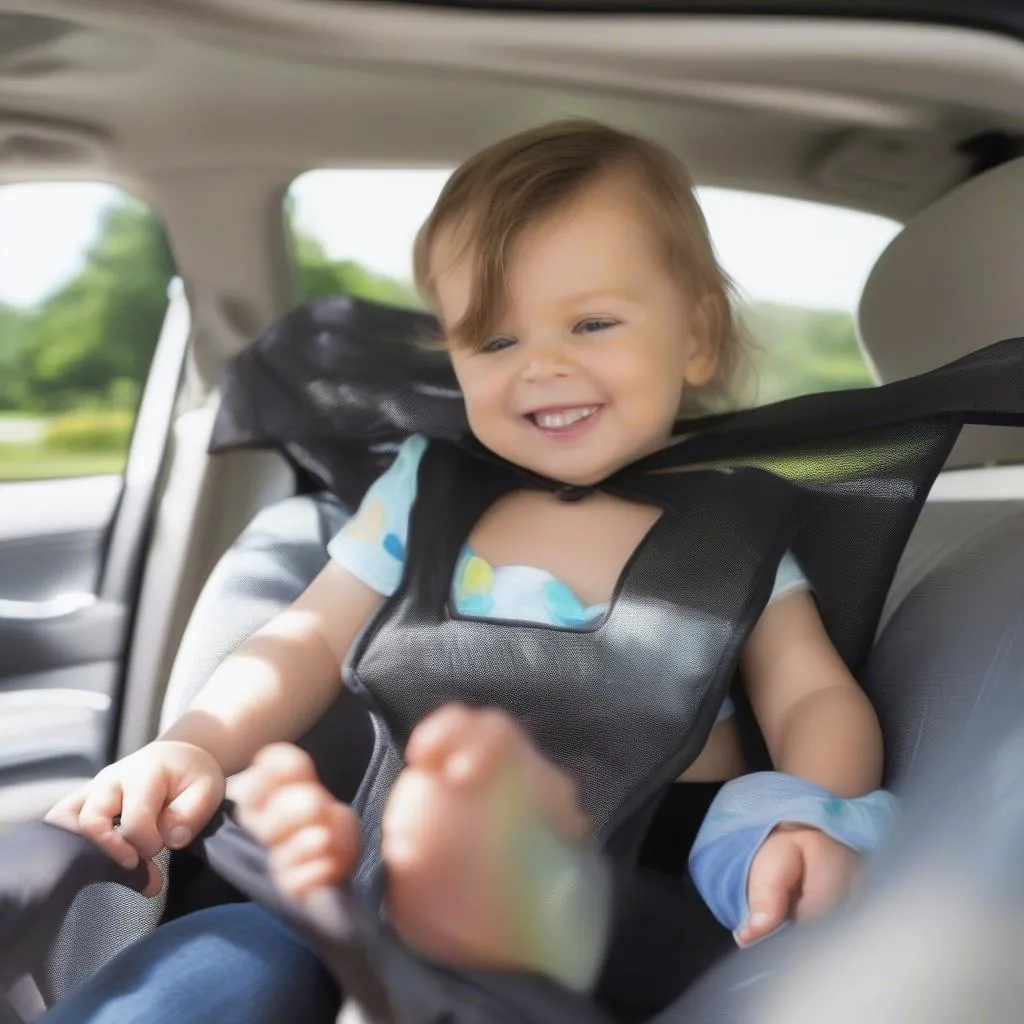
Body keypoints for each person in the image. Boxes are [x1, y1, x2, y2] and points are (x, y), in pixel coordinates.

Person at [41, 120, 893, 1024]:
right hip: (376, 879)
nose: (543, 366)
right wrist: (196, 745)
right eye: (493, 341)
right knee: (219, 959)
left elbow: (810, 697)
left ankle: (470, 926)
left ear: (697, 337)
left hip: (623, 895)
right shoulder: (426, 490)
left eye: (593, 323)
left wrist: (806, 813)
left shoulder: (734, 526)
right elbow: (304, 636)